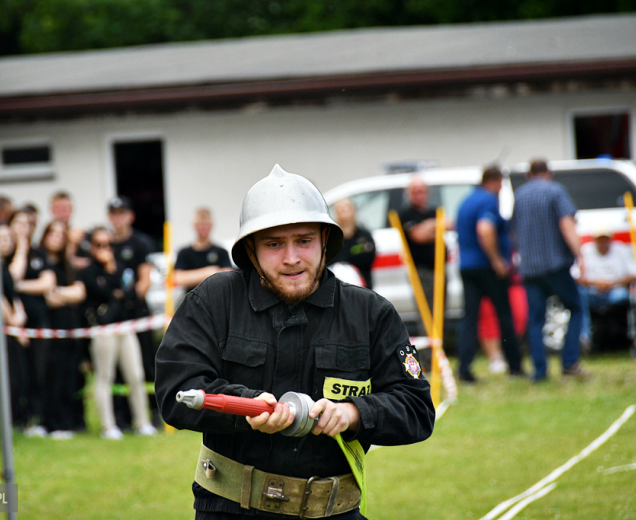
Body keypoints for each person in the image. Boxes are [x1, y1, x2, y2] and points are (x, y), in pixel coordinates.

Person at [156, 164, 435, 519]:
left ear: (324, 242)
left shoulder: (371, 313)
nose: (291, 258)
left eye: (303, 241)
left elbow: (417, 409)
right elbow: (176, 391)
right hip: (231, 510)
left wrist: (353, 413)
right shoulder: (214, 301)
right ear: (251, 251)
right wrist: (247, 408)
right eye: (274, 244)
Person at [512, 159, 586, 381]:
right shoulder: (555, 191)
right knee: (576, 308)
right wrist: (580, 255)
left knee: (536, 319)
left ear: (529, 175)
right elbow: (566, 224)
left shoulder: (520, 195)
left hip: (530, 269)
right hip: (555, 266)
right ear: (548, 173)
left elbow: (514, 231)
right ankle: (570, 361)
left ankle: (539, 371)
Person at [79, 226, 156, 439]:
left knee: (136, 375)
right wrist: (118, 293)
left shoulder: (121, 267)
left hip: (125, 326)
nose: (105, 249)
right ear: (91, 247)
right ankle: (108, 426)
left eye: (109, 245)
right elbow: (102, 293)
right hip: (103, 329)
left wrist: (115, 282)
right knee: (105, 376)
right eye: (99, 245)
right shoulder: (88, 271)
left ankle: (142, 422)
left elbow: (131, 294)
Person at [455, 166, 525, 381]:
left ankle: (464, 368)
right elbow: (485, 229)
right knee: (504, 315)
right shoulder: (488, 200)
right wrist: (497, 260)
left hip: (467, 266)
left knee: (470, 318)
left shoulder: (466, 201)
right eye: (501, 183)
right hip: (487, 267)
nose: (501, 188)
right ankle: (515, 366)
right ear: (493, 181)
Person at [107, 195, 157, 428]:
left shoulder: (141, 243)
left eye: (122, 213)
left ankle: (152, 413)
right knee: (116, 369)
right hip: (113, 314)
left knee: (145, 364)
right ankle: (121, 415)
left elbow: (144, 280)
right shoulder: (104, 243)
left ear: (130, 216)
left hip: (136, 312)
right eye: (114, 213)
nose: (118, 218)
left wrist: (129, 297)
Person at [7, 209, 56, 436]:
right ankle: (19, 419)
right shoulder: (7, 253)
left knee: (39, 373)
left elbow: (47, 284)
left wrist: (19, 286)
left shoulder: (39, 252)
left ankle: (37, 419)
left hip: (39, 322)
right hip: (15, 324)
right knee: (20, 376)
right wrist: (21, 250)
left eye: (27, 224)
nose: (22, 228)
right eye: (18, 223)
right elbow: (12, 276)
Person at [40, 220, 86, 439]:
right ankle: (52, 423)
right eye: (53, 233)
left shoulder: (67, 266)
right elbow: (47, 299)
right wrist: (62, 294)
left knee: (70, 378)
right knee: (53, 379)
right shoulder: (40, 262)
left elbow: (79, 293)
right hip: (49, 330)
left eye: (61, 234)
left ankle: (68, 422)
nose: (57, 237)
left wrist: (56, 291)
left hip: (70, 330)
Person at [398, 177, 451, 334]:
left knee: (441, 313)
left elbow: (449, 224)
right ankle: (428, 355)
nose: (419, 195)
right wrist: (435, 226)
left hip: (440, 269)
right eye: (415, 192)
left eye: (422, 191)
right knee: (426, 314)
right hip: (421, 271)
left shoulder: (434, 211)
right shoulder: (406, 214)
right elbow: (418, 236)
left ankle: (439, 351)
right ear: (409, 194)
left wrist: (429, 226)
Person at [577, 228, 636, 348]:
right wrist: (597, 283)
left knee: (620, 295)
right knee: (579, 295)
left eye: (605, 239)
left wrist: (612, 283)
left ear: (610, 239)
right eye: (600, 239)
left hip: (615, 290)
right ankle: (585, 337)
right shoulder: (585, 251)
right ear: (594, 240)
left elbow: (634, 274)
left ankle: (626, 335)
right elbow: (576, 276)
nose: (603, 242)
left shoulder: (620, 249)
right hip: (593, 291)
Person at [0, 223, 31, 429]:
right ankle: (9, 422)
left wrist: (21, 315)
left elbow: (13, 295)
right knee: (12, 379)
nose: (4, 243)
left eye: (7, 239)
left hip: (14, 327)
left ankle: (19, 420)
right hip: (5, 330)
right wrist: (15, 325)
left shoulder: (5, 267)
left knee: (21, 377)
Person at [174, 207, 233, 291]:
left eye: (205, 224)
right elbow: (178, 278)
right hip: (191, 300)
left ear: (211, 225)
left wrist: (191, 277)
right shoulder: (184, 253)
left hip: (215, 298)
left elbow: (228, 275)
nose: (203, 228)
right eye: (200, 224)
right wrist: (210, 272)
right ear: (194, 225)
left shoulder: (221, 252)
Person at [331, 198, 376, 289]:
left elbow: (368, 258)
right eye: (339, 211)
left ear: (353, 211)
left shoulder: (364, 236)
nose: (343, 214)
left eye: (346, 210)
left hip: (363, 286)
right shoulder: (332, 238)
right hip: (339, 288)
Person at [50, 191, 90, 271]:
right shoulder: (48, 236)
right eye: (58, 210)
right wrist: (71, 242)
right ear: (52, 210)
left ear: (71, 210)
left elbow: (90, 261)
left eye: (65, 209)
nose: (62, 214)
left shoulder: (82, 235)